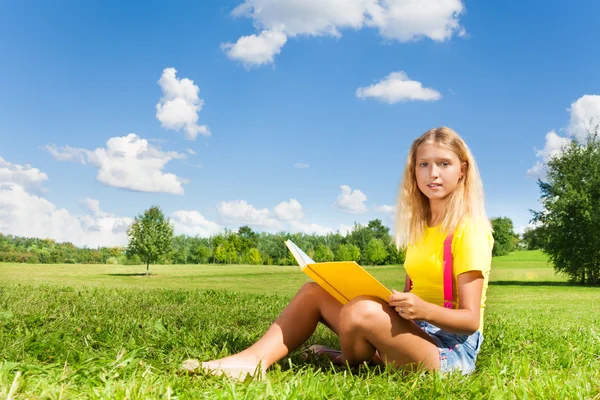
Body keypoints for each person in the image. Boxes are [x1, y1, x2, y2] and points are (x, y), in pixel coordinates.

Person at [181, 126, 493, 379]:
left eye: (444, 164)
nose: (432, 174)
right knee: (313, 291)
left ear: (462, 170)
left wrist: (421, 310)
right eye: (423, 164)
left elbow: (469, 321)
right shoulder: (419, 228)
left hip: (449, 351)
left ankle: (356, 358)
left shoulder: (470, 230)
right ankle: (251, 362)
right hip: (415, 331)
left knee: (360, 311)